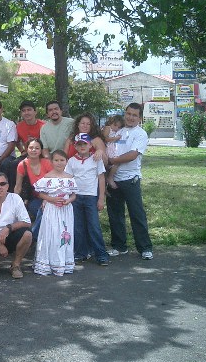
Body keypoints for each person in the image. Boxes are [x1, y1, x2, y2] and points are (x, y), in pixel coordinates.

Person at [106, 103, 154, 260]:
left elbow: (133, 155)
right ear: (125, 114)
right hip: (113, 180)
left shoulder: (140, 134)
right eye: (128, 114)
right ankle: (119, 246)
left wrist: (113, 160)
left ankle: (145, 248)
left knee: (136, 214)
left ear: (140, 118)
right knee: (115, 214)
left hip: (130, 179)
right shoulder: (118, 131)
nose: (131, 117)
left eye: (134, 115)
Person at [65, 133, 109, 266]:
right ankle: (80, 253)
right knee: (78, 227)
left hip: (91, 197)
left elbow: (101, 179)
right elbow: (68, 179)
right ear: (75, 146)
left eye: (85, 144)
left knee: (94, 226)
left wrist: (101, 198)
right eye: (79, 144)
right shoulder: (71, 161)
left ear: (90, 145)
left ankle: (101, 254)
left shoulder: (96, 159)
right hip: (76, 197)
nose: (82, 146)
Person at [33, 150, 77, 276]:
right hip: (52, 209)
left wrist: (68, 200)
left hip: (65, 210)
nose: (59, 163)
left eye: (62, 160)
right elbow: (40, 194)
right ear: (51, 162)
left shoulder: (70, 178)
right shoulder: (47, 177)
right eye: (56, 160)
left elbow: (74, 195)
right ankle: (48, 263)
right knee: (51, 233)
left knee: (64, 234)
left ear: (66, 161)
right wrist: (51, 199)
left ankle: (63, 262)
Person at [15, 138, 53, 226]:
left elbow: (54, 184)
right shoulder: (22, 165)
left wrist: (46, 199)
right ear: (27, 149)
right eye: (31, 148)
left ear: (41, 150)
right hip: (33, 197)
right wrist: (15, 203)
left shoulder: (47, 163)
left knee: (47, 209)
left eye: (37, 148)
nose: (34, 150)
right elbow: (18, 187)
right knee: (37, 208)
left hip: (50, 196)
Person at [10, 100, 45, 189]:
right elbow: (17, 141)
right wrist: (22, 150)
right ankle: (14, 191)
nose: (26, 112)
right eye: (23, 111)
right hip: (27, 154)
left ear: (35, 111)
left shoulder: (43, 126)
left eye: (29, 110)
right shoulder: (19, 126)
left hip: (42, 155)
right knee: (13, 164)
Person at [101, 115, 125, 189]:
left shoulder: (117, 131)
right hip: (107, 149)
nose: (116, 128)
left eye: (119, 127)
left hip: (113, 149)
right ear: (110, 122)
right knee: (114, 162)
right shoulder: (108, 128)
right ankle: (108, 180)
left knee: (115, 163)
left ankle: (109, 179)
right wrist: (115, 138)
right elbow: (105, 139)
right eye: (115, 125)